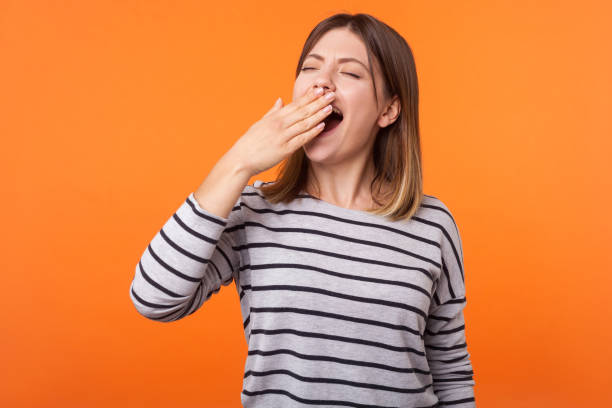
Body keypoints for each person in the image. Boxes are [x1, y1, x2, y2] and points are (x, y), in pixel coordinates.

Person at [129, 12, 476, 408]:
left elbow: (450, 373)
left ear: (389, 110)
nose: (321, 81)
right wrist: (239, 161)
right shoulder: (256, 210)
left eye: (351, 73)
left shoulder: (432, 225)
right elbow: (153, 298)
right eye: (310, 67)